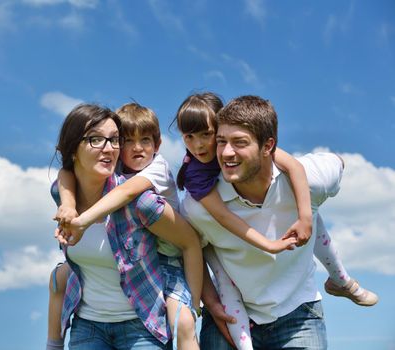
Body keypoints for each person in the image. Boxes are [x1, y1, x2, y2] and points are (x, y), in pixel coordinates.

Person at [174, 93, 378, 350]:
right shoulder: (198, 203)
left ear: (268, 146)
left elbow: (336, 163)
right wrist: (211, 302)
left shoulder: (311, 178)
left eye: (239, 142)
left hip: (298, 312)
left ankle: (342, 281)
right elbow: (192, 248)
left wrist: (305, 214)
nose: (225, 152)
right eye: (222, 141)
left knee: (315, 219)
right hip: (235, 310)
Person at [47, 103, 202, 350]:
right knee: (58, 276)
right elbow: (64, 175)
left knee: (184, 326)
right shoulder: (64, 193)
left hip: (140, 326)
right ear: (73, 148)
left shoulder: (143, 201)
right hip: (88, 325)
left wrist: (193, 307)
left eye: (114, 140)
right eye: (96, 140)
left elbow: (190, 242)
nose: (109, 148)